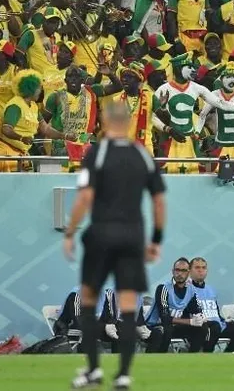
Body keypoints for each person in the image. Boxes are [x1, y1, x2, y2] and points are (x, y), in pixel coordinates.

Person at [62, 100, 166, 390]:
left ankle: (94, 370)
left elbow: (84, 197)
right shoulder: (143, 155)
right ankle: (123, 375)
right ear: (129, 122)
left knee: (89, 300)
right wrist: (156, 240)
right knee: (129, 307)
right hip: (133, 237)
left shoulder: (96, 153)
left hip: (101, 235)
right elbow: (158, 201)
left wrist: (70, 233)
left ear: (106, 121)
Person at [189, 257, 234, 353]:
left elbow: (215, 310)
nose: (200, 270)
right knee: (214, 326)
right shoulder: (187, 289)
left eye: (203, 268)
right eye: (197, 267)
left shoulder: (211, 289)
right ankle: (207, 356)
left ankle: (227, 355)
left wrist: (223, 320)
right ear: (190, 271)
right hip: (202, 327)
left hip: (218, 325)